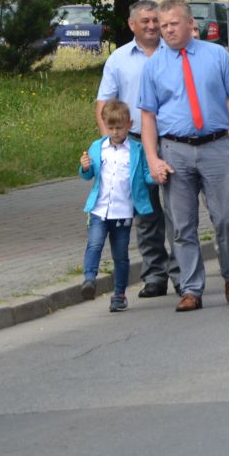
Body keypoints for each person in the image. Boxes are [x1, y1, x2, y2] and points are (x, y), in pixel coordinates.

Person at [139, 0, 229, 312]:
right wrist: (153, 159)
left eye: (173, 24)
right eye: (163, 26)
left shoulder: (216, 55)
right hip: (174, 150)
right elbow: (147, 116)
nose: (167, 30)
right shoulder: (153, 66)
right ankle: (192, 288)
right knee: (182, 225)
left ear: (191, 24)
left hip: (216, 146)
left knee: (228, 219)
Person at [95, 0, 179, 298]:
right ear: (132, 25)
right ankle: (155, 274)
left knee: (178, 210)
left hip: (171, 140)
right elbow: (104, 104)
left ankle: (183, 273)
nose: (153, 26)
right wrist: (109, 146)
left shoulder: (175, 53)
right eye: (145, 21)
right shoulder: (118, 59)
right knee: (146, 212)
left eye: (156, 20)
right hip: (134, 143)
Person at [79, 100, 155, 312]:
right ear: (104, 125)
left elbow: (146, 175)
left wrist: (158, 175)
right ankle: (89, 280)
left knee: (120, 254)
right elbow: (88, 174)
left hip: (122, 212)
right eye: (110, 127)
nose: (115, 132)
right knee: (94, 244)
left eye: (119, 128)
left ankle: (119, 294)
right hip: (99, 209)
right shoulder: (98, 147)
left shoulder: (136, 150)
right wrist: (84, 167)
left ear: (129, 125)